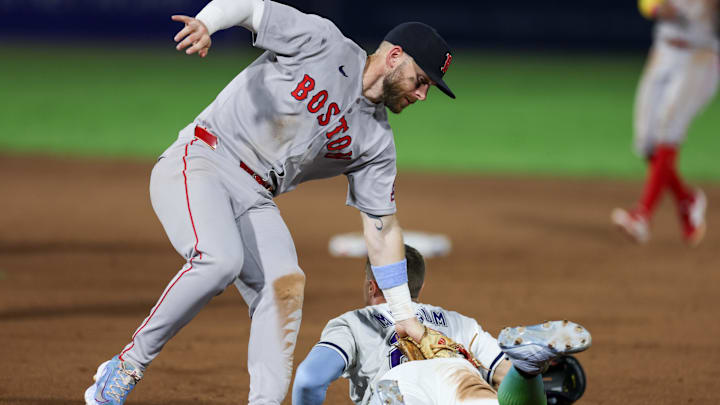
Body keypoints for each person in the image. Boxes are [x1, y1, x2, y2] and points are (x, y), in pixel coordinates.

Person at [84, 0, 458, 403]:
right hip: (202, 158)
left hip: (255, 196)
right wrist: (207, 23)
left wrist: (403, 315)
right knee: (219, 260)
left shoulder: (377, 144)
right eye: (421, 80)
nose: (422, 94)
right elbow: (247, 7)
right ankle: (125, 367)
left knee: (285, 285)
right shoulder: (324, 43)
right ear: (395, 57)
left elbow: (381, 227)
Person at [292, 246, 591, 405]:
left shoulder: (353, 323)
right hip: (459, 375)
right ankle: (529, 369)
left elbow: (309, 379)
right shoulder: (459, 322)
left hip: (398, 388)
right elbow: (502, 373)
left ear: (372, 287)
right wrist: (528, 380)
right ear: (419, 287)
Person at [611, 0, 719, 245]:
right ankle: (686, 199)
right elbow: (647, 3)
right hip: (664, 51)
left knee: (669, 130)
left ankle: (642, 215)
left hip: (701, 56)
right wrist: (658, 9)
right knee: (646, 143)